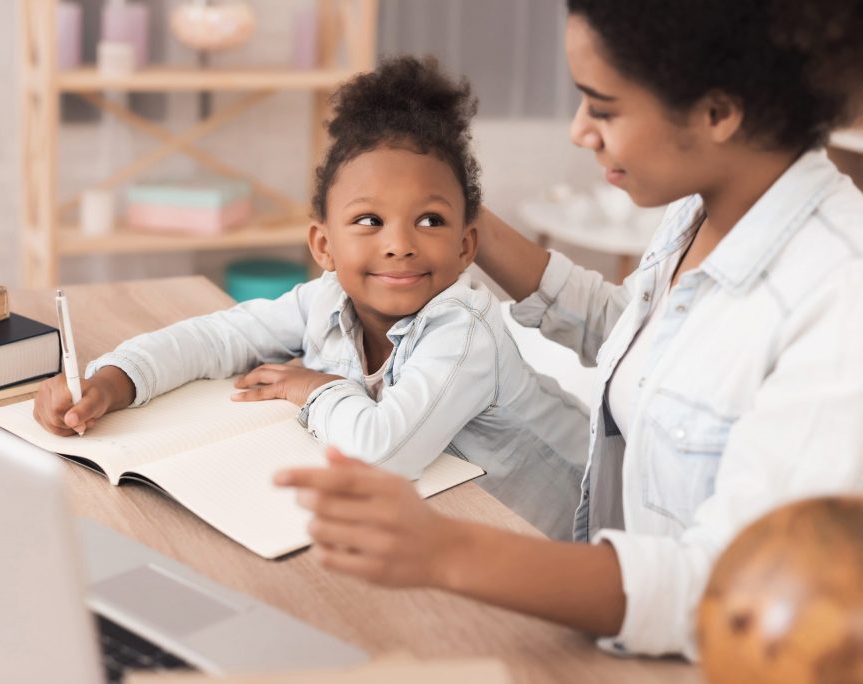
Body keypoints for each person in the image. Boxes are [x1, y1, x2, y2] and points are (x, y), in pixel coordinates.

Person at [275, 0, 863, 659]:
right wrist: (437, 208)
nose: (580, 131)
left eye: (602, 106)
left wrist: (448, 551)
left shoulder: (840, 297)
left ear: (717, 113)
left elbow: (730, 589)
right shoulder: (705, 210)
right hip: (594, 619)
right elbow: (647, 346)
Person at [33, 56, 590, 539]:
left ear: (467, 244)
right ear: (324, 245)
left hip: (566, 538)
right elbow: (220, 335)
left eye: (430, 219)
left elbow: (385, 453)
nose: (399, 245)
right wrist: (114, 381)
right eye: (369, 219)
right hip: (451, 514)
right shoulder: (327, 300)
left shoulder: (463, 329)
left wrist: (313, 387)